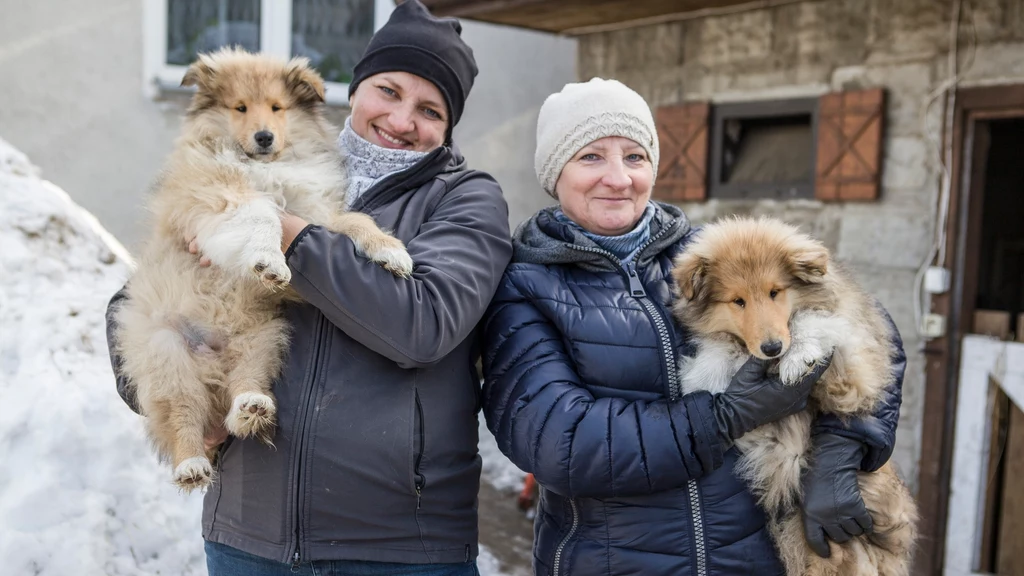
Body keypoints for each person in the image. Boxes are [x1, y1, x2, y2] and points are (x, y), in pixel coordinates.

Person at [105, 1, 512, 574]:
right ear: (356, 88)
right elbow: (145, 290)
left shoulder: (466, 198)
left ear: (448, 126)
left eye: (429, 109)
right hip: (250, 534)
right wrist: (176, 394)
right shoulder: (269, 157)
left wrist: (285, 231)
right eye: (388, 92)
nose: (401, 120)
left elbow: (422, 326)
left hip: (397, 547)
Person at [480, 78, 906, 575]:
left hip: (753, 558)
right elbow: (561, 443)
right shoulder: (525, 286)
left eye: (635, 157)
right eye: (591, 157)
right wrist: (722, 417)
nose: (618, 178)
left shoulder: (715, 255)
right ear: (555, 173)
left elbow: (872, 332)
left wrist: (839, 450)